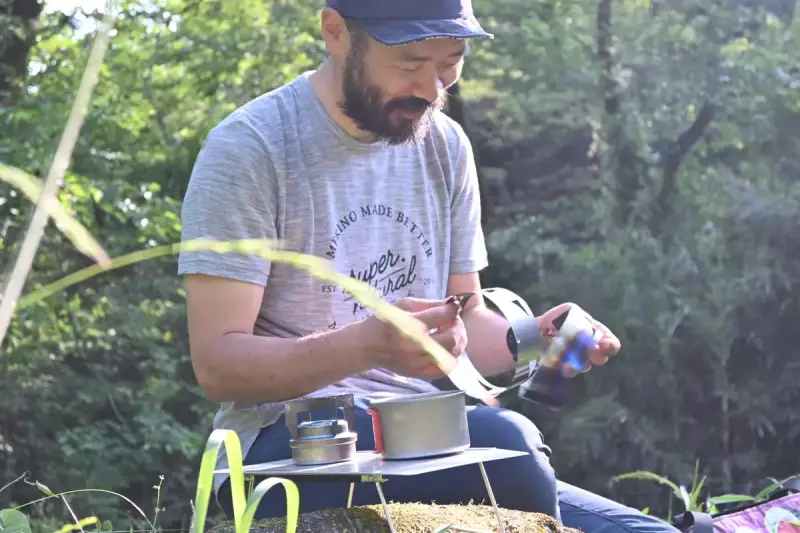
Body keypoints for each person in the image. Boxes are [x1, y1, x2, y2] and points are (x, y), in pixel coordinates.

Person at [177, 0, 679, 531]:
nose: (432, 89)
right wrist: (367, 344)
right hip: (290, 447)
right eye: (411, 61)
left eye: (451, 61)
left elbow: (464, 325)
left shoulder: (444, 144)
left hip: (429, 440)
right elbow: (218, 364)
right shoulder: (251, 148)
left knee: (651, 531)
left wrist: (534, 337)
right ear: (336, 32)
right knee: (513, 445)